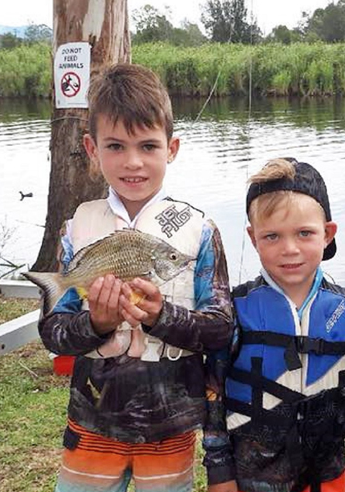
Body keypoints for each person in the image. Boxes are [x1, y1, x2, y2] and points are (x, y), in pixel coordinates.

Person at [37, 63, 233, 492]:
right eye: (115, 146)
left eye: (148, 146)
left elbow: (220, 330)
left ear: (172, 148)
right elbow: (53, 333)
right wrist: (96, 323)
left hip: (170, 427)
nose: (133, 162)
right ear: (91, 149)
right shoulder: (76, 229)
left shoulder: (199, 231)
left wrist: (162, 316)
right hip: (92, 421)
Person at [203, 158, 345, 492]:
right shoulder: (235, 309)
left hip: (328, 474)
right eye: (272, 236)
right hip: (253, 479)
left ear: (328, 234)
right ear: (253, 238)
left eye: (304, 233)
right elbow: (213, 395)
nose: (289, 249)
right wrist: (219, 472)